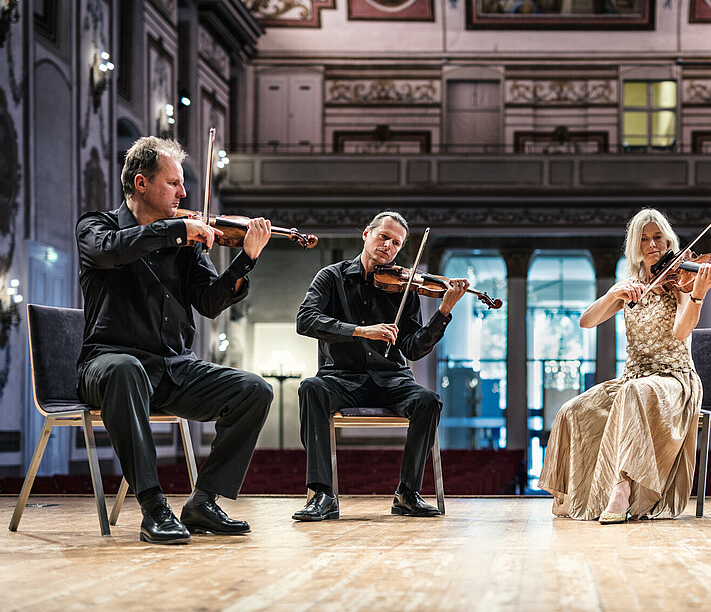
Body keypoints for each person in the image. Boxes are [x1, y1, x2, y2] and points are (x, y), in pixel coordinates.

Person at [77, 136, 274, 545]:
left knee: (254, 391)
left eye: (183, 184)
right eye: (173, 183)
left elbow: (209, 301)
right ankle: (153, 507)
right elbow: (112, 252)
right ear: (141, 183)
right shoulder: (96, 227)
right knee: (126, 368)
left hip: (173, 369)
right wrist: (175, 230)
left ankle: (203, 501)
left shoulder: (184, 243)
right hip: (109, 364)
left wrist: (246, 260)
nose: (183, 193)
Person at [538, 208, 711, 523]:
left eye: (658, 238)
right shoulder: (629, 288)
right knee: (572, 410)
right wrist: (613, 293)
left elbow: (680, 332)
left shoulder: (680, 284)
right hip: (632, 380)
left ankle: (622, 491)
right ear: (635, 246)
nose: (653, 245)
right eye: (645, 239)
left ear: (668, 241)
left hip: (674, 382)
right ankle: (580, 496)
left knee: (635, 393)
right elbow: (587, 321)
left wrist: (698, 294)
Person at [293, 211, 468, 521]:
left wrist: (442, 311)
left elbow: (413, 349)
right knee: (310, 388)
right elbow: (305, 320)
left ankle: (407, 494)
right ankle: (323, 494)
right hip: (341, 379)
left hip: (391, 381)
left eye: (396, 243)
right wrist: (359, 331)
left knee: (428, 400)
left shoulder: (404, 289)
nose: (388, 245)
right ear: (366, 234)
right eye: (384, 236)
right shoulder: (331, 277)